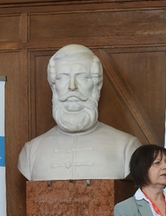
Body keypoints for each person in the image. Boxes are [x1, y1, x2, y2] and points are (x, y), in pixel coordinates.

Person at [17, 44, 141, 181]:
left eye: (82, 77)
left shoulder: (126, 148)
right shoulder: (31, 152)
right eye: (62, 77)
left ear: (96, 85)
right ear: (54, 87)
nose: (72, 87)